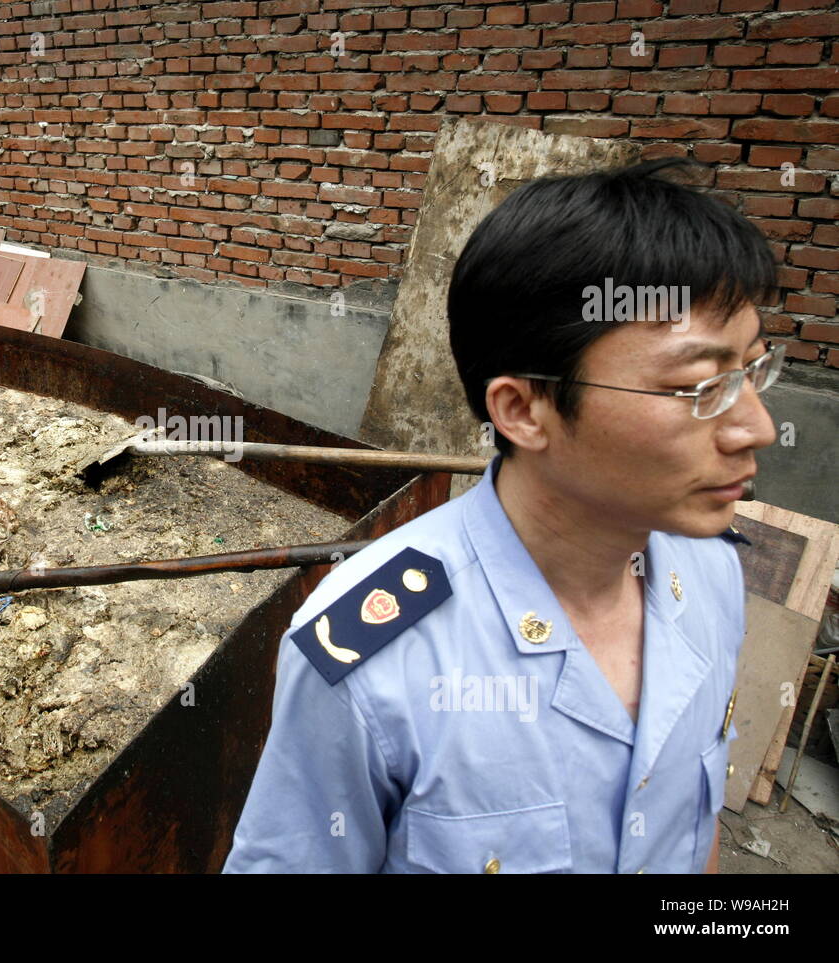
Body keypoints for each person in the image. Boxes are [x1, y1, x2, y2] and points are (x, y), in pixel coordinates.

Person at [223, 157, 780, 874]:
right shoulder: (375, 656)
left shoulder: (711, 578)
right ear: (522, 409)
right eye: (699, 387)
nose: (757, 427)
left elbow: (692, 831)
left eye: (754, 369)